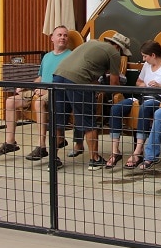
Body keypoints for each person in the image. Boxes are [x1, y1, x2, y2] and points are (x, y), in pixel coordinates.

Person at [52, 32, 132, 170]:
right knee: (89, 120)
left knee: (59, 118)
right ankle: (94, 159)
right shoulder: (114, 53)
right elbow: (114, 82)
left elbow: (89, 70)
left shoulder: (91, 43)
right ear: (119, 47)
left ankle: (53, 160)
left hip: (58, 75)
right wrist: (117, 94)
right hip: (78, 81)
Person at [0, 25, 72, 158]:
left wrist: (46, 90)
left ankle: (41, 146)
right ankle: (10, 142)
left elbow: (68, 80)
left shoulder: (70, 56)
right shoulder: (47, 57)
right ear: (52, 38)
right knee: (10, 101)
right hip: (39, 90)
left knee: (39, 102)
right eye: (59, 35)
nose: (63, 37)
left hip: (56, 92)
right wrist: (27, 86)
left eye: (65, 35)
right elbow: (40, 77)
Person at [106, 40, 161, 169]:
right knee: (116, 108)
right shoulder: (146, 65)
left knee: (145, 107)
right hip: (141, 97)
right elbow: (138, 82)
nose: (143, 59)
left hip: (159, 100)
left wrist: (160, 86)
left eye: (145, 56)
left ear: (153, 55)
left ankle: (138, 151)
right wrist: (143, 85)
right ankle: (115, 150)